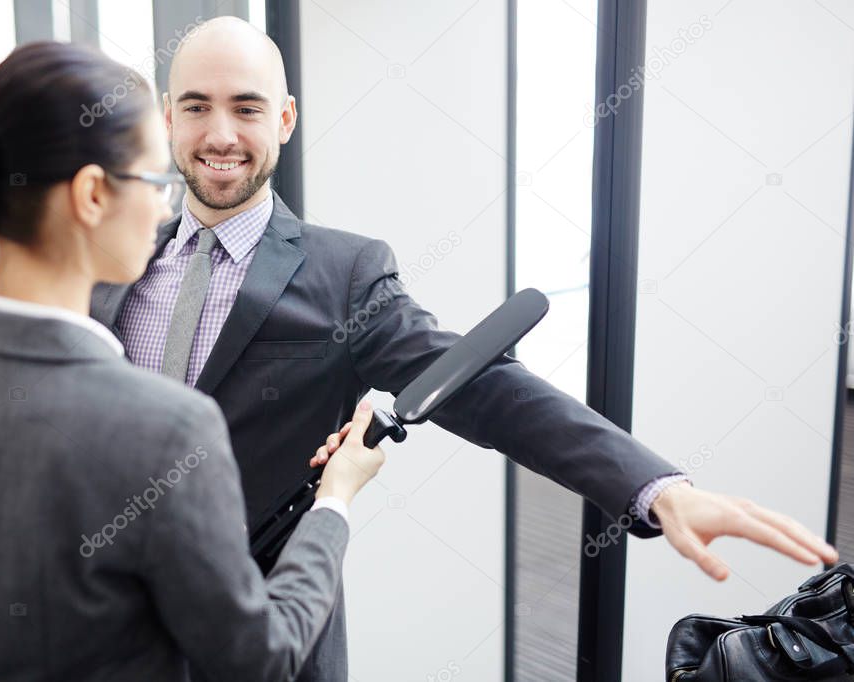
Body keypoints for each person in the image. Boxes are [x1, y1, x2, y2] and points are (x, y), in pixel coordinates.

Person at [89, 17, 840, 681]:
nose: (220, 133)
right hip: (114, 633)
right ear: (166, 119)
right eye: (196, 106)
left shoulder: (341, 273)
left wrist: (656, 489)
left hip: (268, 635)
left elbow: (488, 390)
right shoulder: (111, 263)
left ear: (284, 119)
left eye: (246, 107)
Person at [0, 41, 385, 682]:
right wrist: (334, 501)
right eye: (155, 181)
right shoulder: (168, 429)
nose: (164, 206)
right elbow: (263, 657)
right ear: (92, 194)